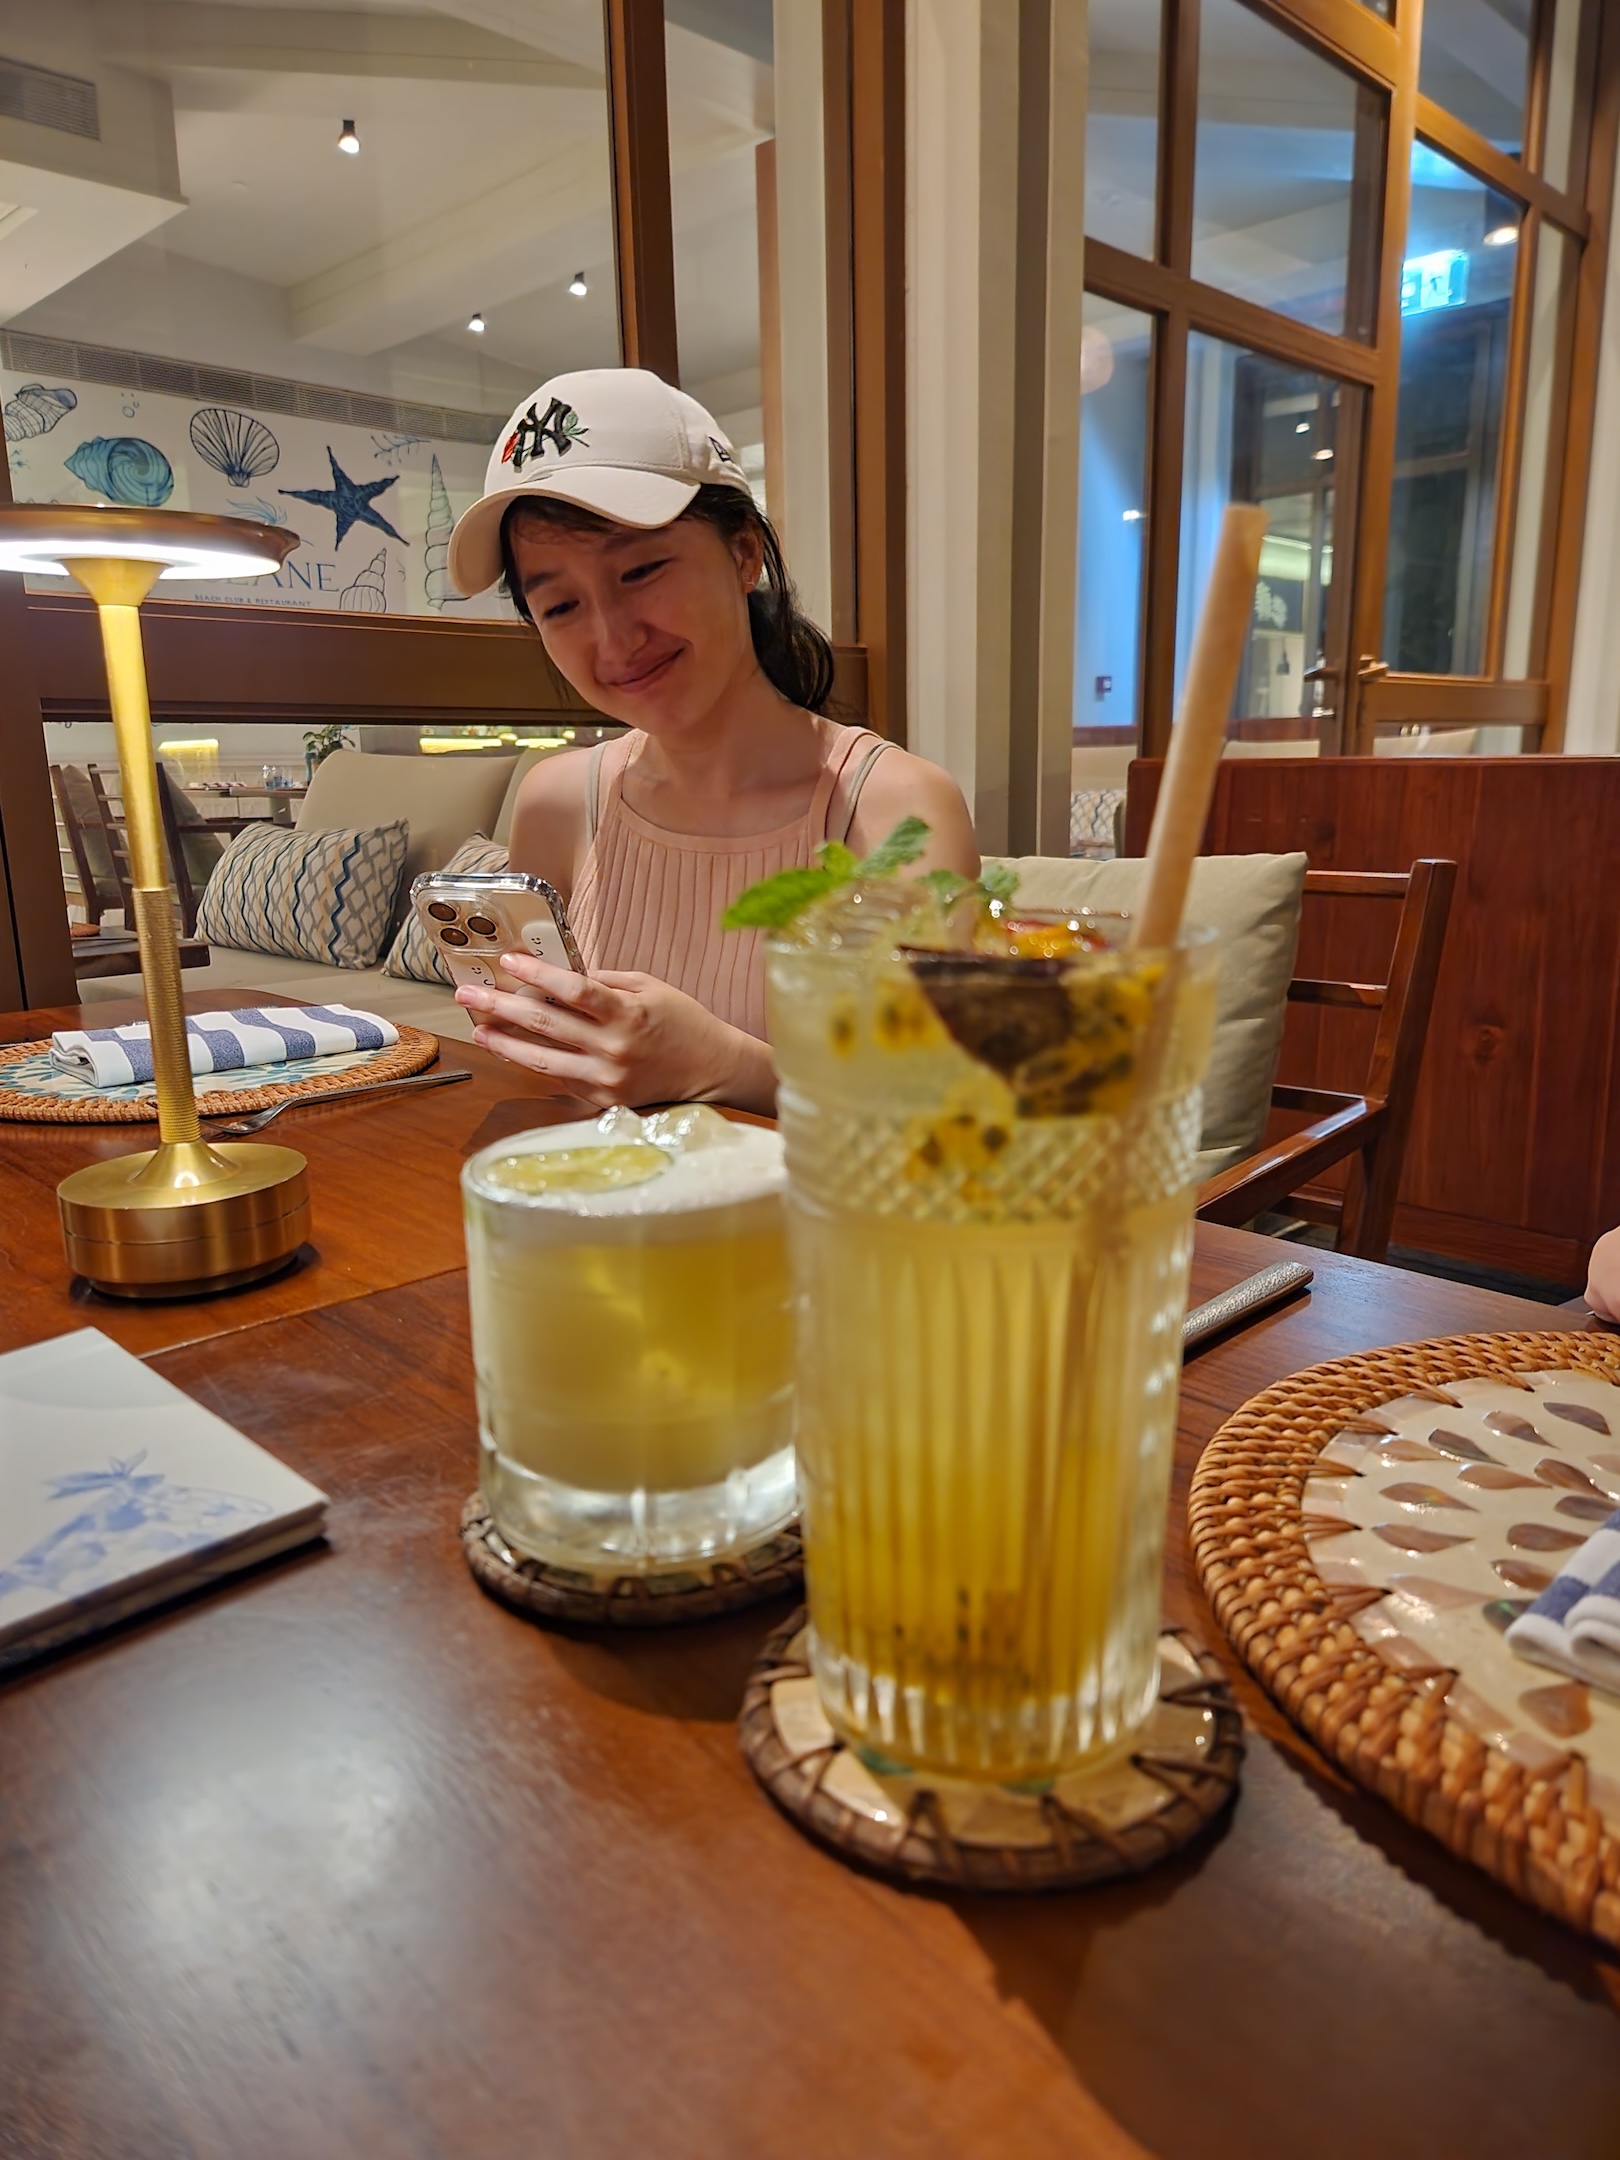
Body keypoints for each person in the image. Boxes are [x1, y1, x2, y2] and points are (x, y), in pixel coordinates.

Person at [445, 368, 979, 1114]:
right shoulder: (558, 801)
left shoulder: (893, 808)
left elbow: (933, 1103)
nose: (614, 640)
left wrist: (724, 1064)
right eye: (561, 606)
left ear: (744, 554)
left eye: (641, 570)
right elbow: (555, 1073)